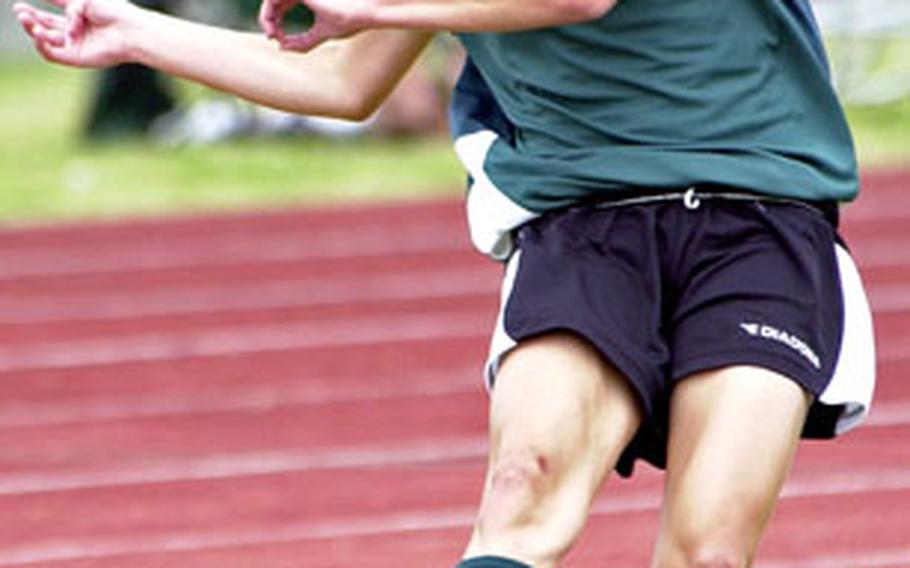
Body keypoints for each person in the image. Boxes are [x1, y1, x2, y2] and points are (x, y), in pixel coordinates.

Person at [12, 0, 876, 566]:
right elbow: (343, 81)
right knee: (522, 485)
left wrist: (373, 4)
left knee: (709, 550)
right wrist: (135, 33)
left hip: (760, 219)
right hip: (584, 225)